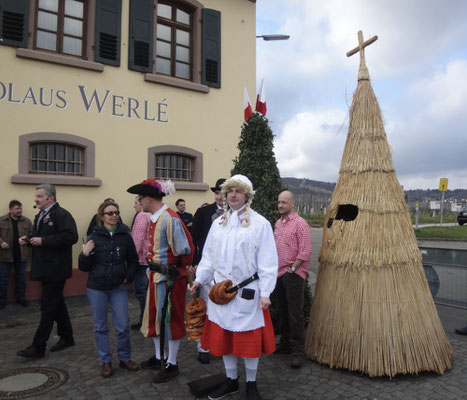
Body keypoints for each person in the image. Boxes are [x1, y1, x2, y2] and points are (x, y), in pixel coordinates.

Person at [189, 174, 278, 400]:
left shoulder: (260, 224)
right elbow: (208, 257)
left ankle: (251, 383)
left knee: (248, 342)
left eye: (238, 191)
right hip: (220, 294)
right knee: (225, 338)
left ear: (247, 195)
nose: (233, 195)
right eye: (230, 191)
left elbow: (268, 261)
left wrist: (266, 292)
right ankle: (231, 381)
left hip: (248, 292)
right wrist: (199, 279)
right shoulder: (218, 224)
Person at [127, 179, 194, 383]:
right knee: (155, 318)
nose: (138, 201)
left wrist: (175, 271)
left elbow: (186, 252)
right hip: (155, 277)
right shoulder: (154, 218)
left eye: (140, 198)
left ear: (148, 198)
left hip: (170, 279)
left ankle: (172, 363)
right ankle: (159, 357)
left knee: (170, 320)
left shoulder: (169, 219)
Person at [79, 200, 140, 378]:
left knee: (122, 325)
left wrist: (128, 277)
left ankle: (124, 358)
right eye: (110, 213)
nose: (114, 216)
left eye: (116, 212)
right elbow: (83, 267)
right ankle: (105, 361)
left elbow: (134, 260)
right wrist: (85, 253)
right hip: (96, 287)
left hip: (117, 287)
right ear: (102, 216)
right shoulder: (93, 237)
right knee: (100, 326)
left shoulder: (124, 235)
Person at [17, 184, 78, 359]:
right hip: (46, 267)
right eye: (36, 196)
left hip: (56, 269)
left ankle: (38, 346)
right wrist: (29, 240)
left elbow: (70, 237)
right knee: (57, 303)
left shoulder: (62, 214)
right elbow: (42, 238)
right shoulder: (41, 215)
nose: (35, 199)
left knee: (48, 306)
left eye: (39, 196)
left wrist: (43, 240)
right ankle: (67, 337)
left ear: (50, 198)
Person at [273, 190, 312, 369]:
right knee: (282, 309)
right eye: (279, 202)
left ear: (293, 204)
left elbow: (305, 251)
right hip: (279, 273)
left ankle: (297, 351)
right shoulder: (278, 224)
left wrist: (293, 269)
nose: (281, 205)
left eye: (284, 202)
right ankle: (285, 344)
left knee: (295, 313)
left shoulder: (300, 224)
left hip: (293, 274)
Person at [189, 178, 226, 364]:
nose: (220, 196)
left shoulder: (240, 216)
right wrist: (195, 263)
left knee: (222, 310)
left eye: (223, 192)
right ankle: (203, 348)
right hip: (205, 268)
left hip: (227, 273)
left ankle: (220, 345)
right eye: (217, 192)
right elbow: (192, 240)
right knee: (204, 307)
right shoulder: (203, 212)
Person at [0, 200, 33, 309]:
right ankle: (2, 300)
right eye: (16, 208)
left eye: (20, 208)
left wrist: (27, 239)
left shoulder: (26, 221)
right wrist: (1, 242)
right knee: (3, 279)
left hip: (21, 254)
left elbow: (33, 235)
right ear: (10, 209)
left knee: (21, 278)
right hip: (5, 255)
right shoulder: (1, 220)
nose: (19, 210)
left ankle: (20, 298)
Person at [130, 196, 150, 330]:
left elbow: (137, 239)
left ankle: (145, 319)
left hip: (141, 261)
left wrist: (131, 259)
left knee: (142, 292)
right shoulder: (153, 215)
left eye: (136, 203)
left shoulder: (141, 216)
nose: (134, 206)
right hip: (150, 259)